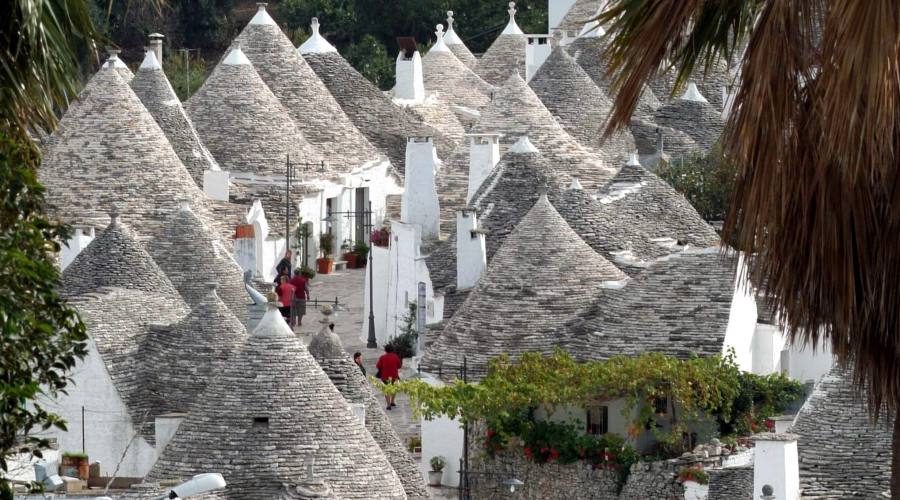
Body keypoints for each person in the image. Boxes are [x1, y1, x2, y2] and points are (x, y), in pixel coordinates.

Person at [375, 345, 402, 410]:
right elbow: (399, 366)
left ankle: (388, 404)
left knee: (386, 389)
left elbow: (378, 366)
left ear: (385, 350)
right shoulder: (396, 357)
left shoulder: (382, 357)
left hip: (385, 376)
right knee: (394, 388)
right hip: (394, 376)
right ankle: (392, 401)